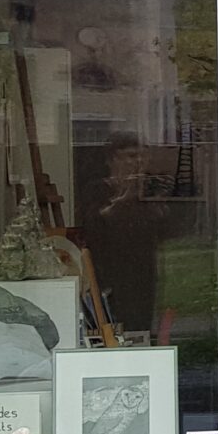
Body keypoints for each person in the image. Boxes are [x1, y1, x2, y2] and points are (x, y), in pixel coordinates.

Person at [80, 132, 162, 335]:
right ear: (112, 159)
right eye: (131, 156)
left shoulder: (150, 187)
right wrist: (122, 199)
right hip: (108, 268)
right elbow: (93, 226)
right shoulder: (97, 189)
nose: (138, 162)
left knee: (142, 323)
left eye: (143, 156)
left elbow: (165, 224)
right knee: (111, 322)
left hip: (143, 266)